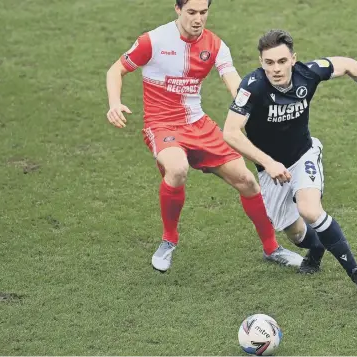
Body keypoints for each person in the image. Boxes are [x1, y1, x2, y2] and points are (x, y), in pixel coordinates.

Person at [105, 2, 303, 272]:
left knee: (247, 181)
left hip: (199, 124)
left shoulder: (216, 45)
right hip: (162, 125)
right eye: (191, 12)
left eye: (203, 12)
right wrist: (114, 103)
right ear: (177, 9)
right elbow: (115, 70)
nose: (198, 19)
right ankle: (168, 241)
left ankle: (272, 248)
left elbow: (232, 80)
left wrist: (249, 105)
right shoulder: (153, 41)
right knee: (177, 169)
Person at [223, 29, 357, 290]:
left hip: (303, 154)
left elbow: (350, 65)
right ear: (261, 63)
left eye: (282, 61)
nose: (276, 68)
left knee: (310, 209)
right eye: (269, 62)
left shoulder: (308, 73)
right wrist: (269, 163)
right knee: (295, 234)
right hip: (269, 169)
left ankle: (356, 271)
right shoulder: (251, 87)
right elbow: (230, 132)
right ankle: (317, 249)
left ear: (293, 59)